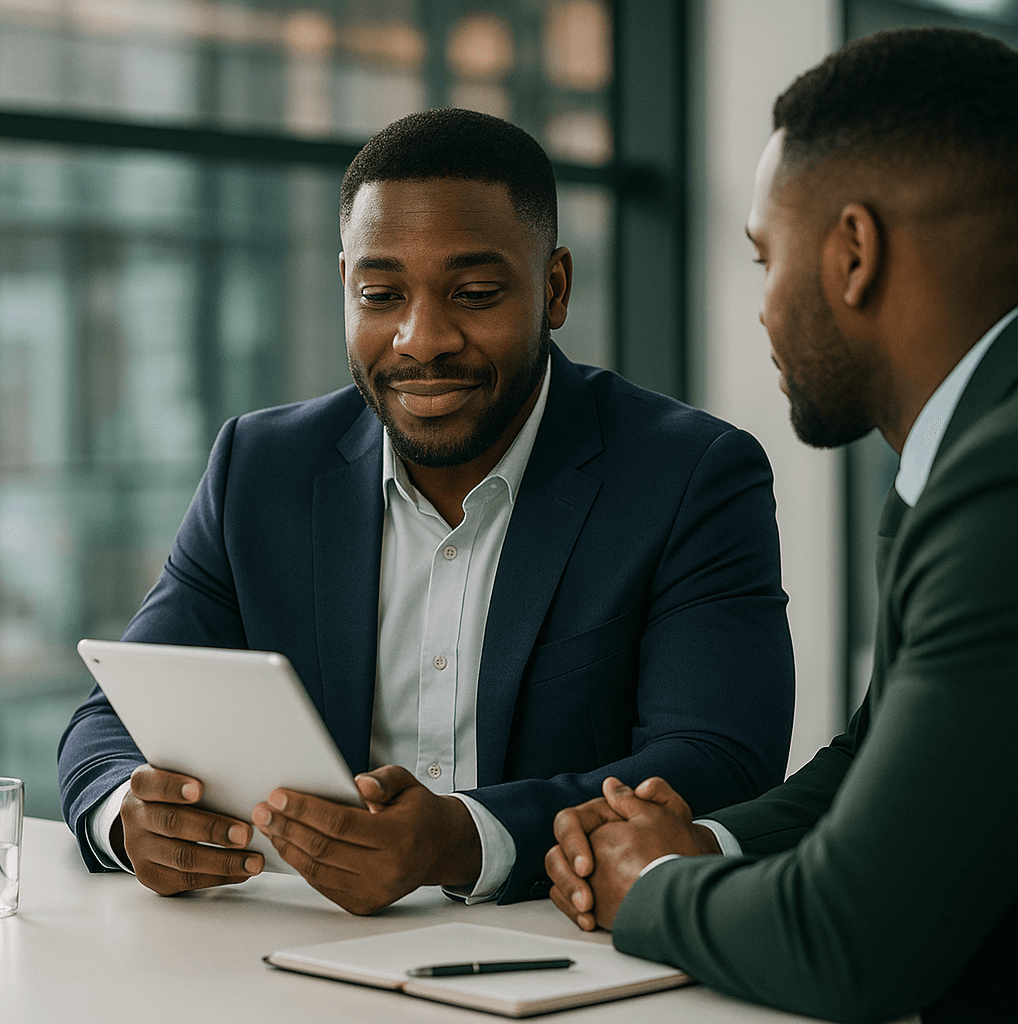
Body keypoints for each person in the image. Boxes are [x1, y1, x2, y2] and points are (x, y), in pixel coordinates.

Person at [58, 108, 793, 915]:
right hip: (293, 959)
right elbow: (112, 717)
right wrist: (129, 822)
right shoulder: (261, 467)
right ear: (346, 286)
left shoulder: (690, 475)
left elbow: (721, 756)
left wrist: (463, 838)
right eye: (381, 294)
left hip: (559, 957)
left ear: (554, 289)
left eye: (473, 293)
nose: (420, 338)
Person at [545, 26, 1018, 1024]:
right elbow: (881, 754)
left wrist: (651, 886)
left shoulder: (999, 481)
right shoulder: (957, 457)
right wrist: (698, 843)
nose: (760, 308)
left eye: (766, 256)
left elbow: (845, 940)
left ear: (852, 252)